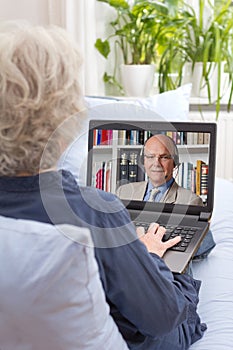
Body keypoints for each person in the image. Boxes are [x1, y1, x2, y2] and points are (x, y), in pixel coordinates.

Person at [0, 22, 207, 350]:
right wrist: (150, 256)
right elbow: (163, 318)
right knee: (179, 293)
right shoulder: (99, 212)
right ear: (65, 123)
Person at [116, 134, 203, 205]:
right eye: (150, 157)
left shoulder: (191, 201)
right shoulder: (123, 193)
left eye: (164, 157)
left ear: (174, 162)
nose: (157, 163)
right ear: (143, 160)